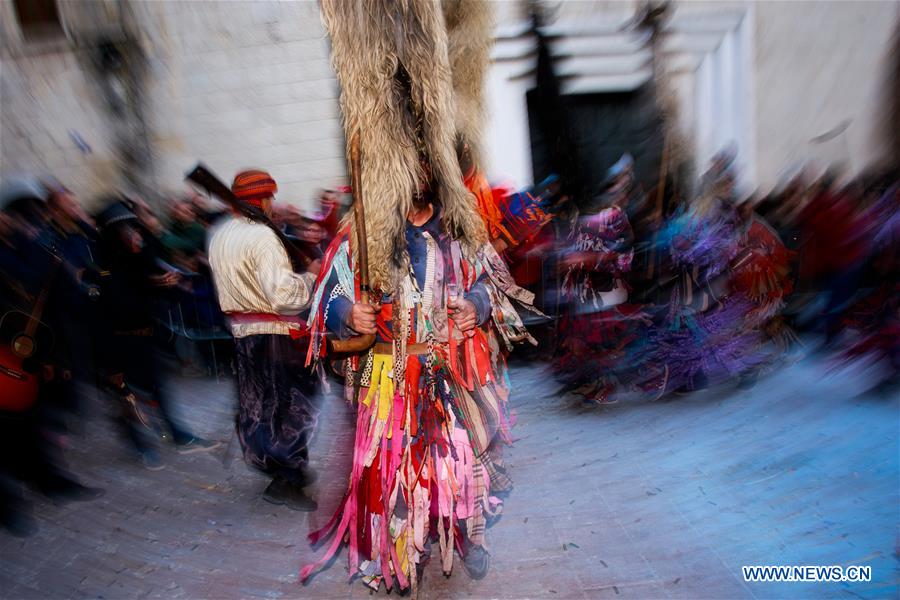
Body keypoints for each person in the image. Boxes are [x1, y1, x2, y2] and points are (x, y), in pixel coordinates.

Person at [207, 169, 321, 511]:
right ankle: (286, 479)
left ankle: (282, 469)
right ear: (262, 199)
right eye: (270, 197)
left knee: (259, 407)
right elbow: (283, 295)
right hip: (276, 336)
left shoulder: (220, 234)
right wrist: (310, 280)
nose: (273, 204)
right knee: (292, 407)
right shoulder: (263, 237)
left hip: (243, 337)